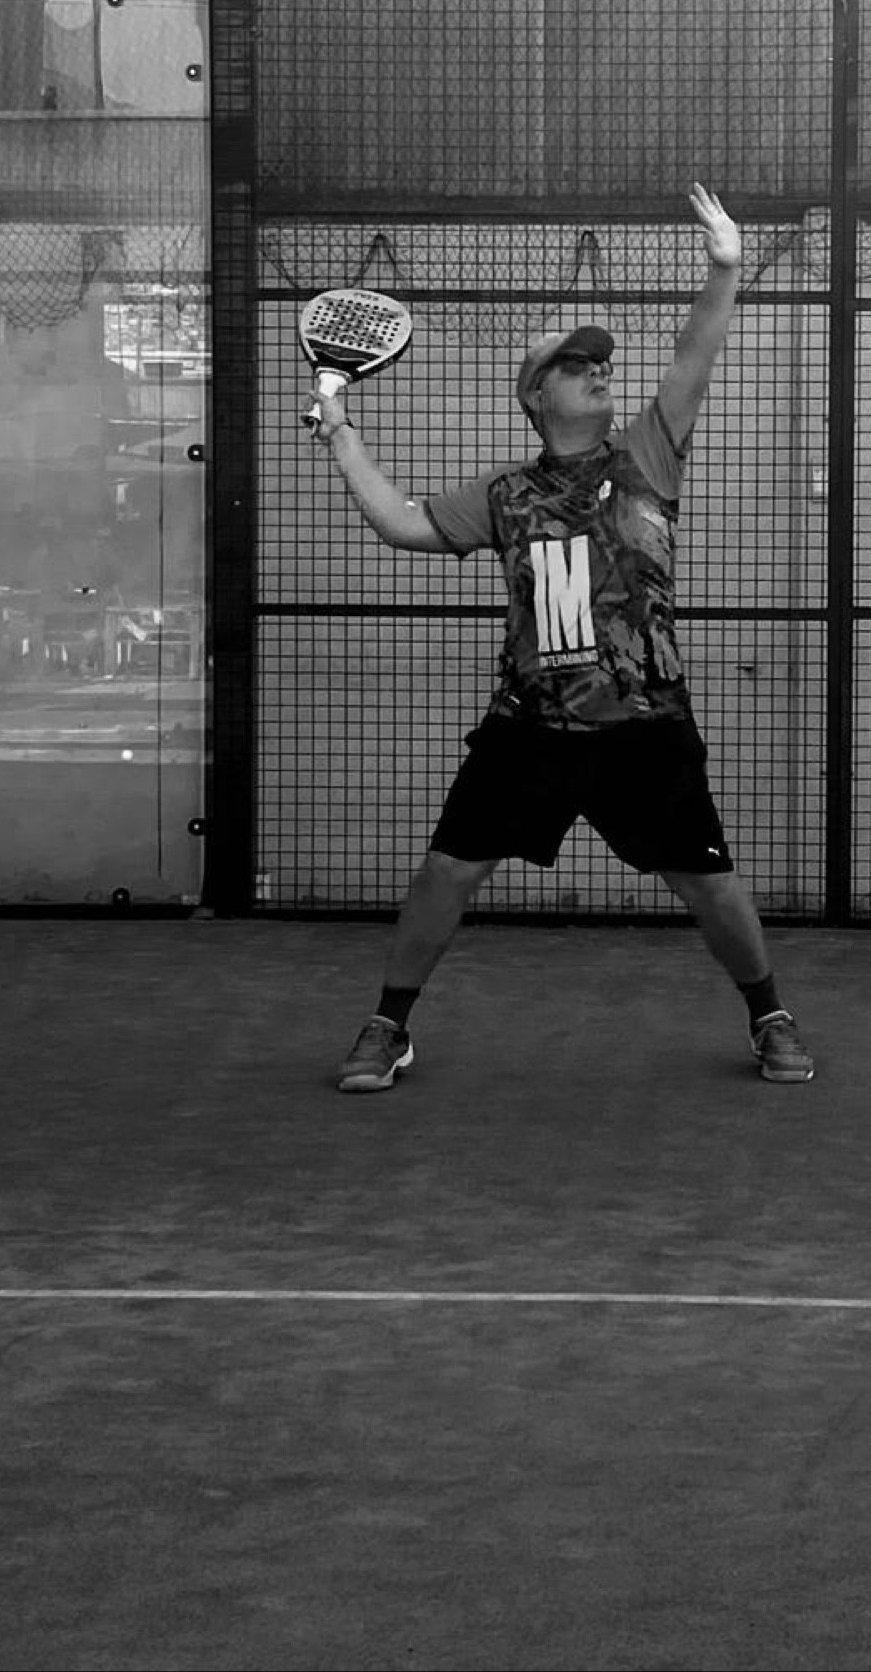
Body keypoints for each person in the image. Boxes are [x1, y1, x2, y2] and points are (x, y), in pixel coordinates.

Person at [312, 183, 814, 1094]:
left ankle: (769, 1015)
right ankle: (388, 1025)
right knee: (447, 871)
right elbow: (401, 524)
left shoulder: (647, 456)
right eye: (577, 365)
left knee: (709, 883)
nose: (598, 371)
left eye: (600, 362)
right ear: (538, 396)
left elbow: (694, 358)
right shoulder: (503, 495)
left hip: (645, 725)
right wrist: (341, 433)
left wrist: (726, 268)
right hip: (530, 728)